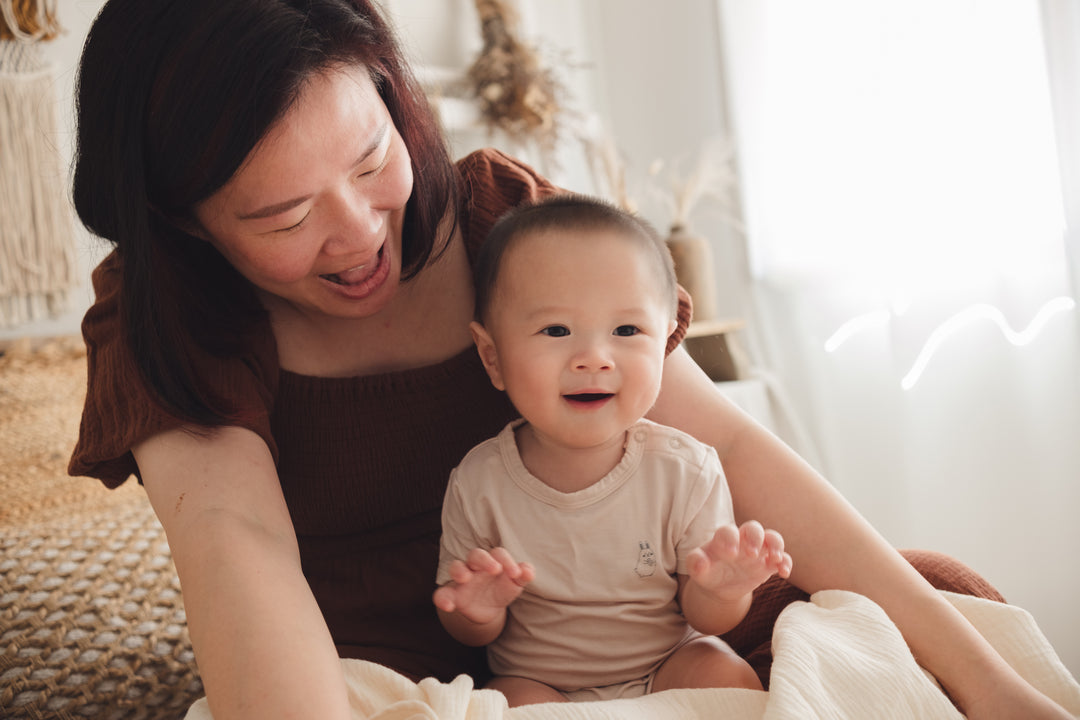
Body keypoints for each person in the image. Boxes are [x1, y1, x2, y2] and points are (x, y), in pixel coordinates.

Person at [65, 1, 1070, 719]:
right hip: (455, 683)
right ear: (181, 227)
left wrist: (992, 690)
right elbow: (236, 548)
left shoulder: (502, 219)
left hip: (666, 638)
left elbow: (722, 437)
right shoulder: (168, 320)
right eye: (283, 215)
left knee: (941, 606)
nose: (360, 233)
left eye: (374, 161)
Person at [432, 195, 794, 706]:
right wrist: (476, 610)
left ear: (665, 342)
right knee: (501, 703)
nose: (593, 359)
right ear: (492, 357)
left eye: (627, 331)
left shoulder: (685, 470)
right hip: (541, 683)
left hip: (666, 664)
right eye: (556, 330)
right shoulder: (479, 481)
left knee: (727, 679)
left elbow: (705, 617)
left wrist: (723, 590)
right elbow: (468, 631)